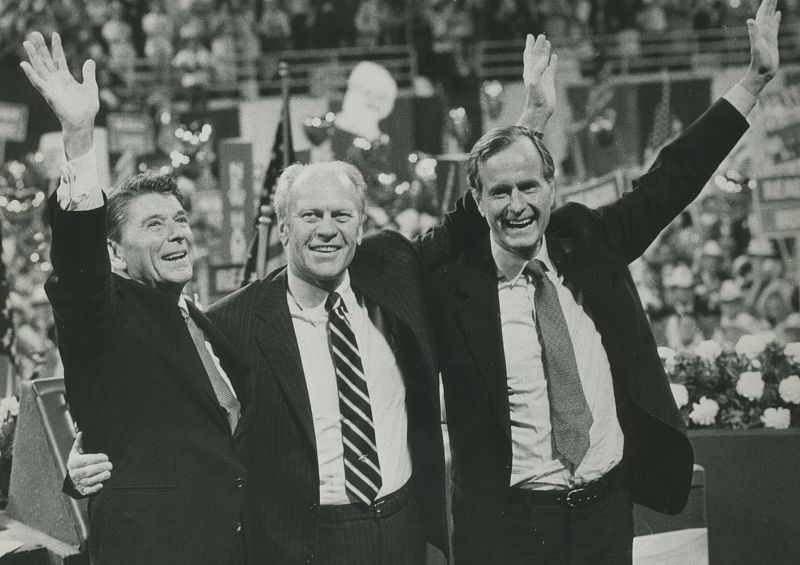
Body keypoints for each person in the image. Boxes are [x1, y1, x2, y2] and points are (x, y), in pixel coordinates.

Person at [424, 0, 782, 563]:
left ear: (552, 186)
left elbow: (673, 178)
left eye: (529, 187)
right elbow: (424, 249)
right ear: (476, 203)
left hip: (603, 518)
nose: (517, 205)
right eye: (499, 192)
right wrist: (529, 120)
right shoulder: (451, 285)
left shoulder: (586, 241)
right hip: (506, 532)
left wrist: (753, 82)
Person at [21, 32, 253, 565]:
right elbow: (78, 272)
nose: (177, 233)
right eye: (153, 225)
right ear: (115, 255)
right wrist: (79, 137)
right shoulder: (106, 311)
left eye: (179, 220)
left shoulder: (198, 317)